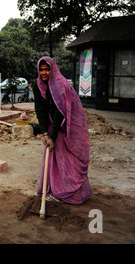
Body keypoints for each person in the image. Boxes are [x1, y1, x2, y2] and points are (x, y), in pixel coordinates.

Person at [33, 56, 92, 204]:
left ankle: (73, 192)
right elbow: (40, 109)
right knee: (54, 158)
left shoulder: (61, 85)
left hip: (69, 124)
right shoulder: (37, 85)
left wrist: (53, 137)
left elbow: (60, 112)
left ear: (53, 69)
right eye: (41, 70)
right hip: (52, 125)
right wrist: (45, 133)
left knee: (70, 159)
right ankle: (55, 189)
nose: (44, 73)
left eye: (47, 69)